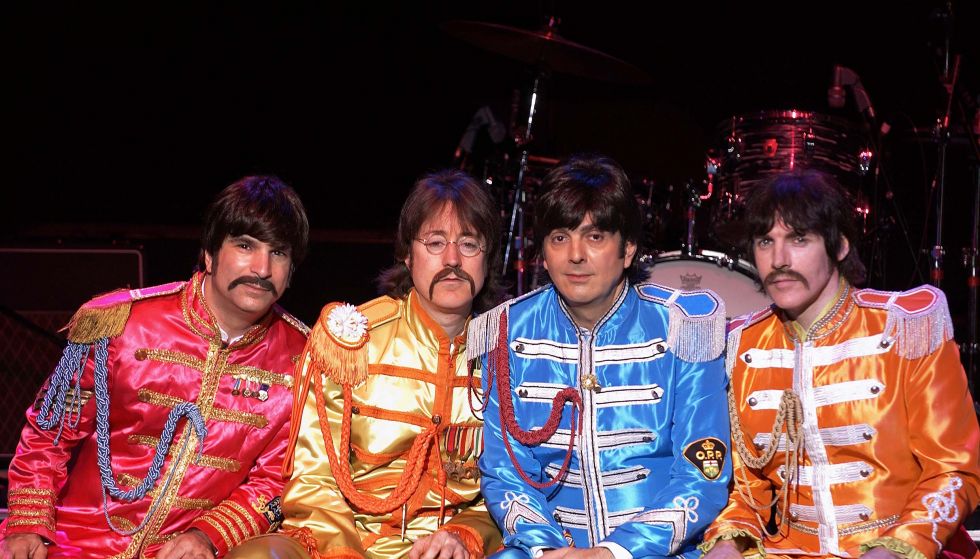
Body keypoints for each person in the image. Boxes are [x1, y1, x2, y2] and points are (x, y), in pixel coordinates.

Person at [0, 176, 311, 558]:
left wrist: (208, 536)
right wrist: (27, 524)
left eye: (278, 253)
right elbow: (49, 434)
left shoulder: (303, 360)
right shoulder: (120, 323)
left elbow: (276, 481)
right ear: (209, 254)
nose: (262, 268)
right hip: (72, 544)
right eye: (245, 245)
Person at [700, 170, 980, 559]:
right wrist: (728, 541)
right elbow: (746, 492)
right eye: (766, 241)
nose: (778, 260)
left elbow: (953, 470)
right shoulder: (742, 344)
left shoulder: (906, 326)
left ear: (840, 246)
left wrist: (897, 549)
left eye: (799, 239)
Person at [226, 169, 504, 559]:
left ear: (488, 258)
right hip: (340, 541)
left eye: (470, 244)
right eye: (435, 242)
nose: (453, 259)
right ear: (407, 253)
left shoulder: (509, 356)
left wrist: (465, 534)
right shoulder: (351, 341)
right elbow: (313, 481)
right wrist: (343, 552)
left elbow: (513, 489)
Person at [471, 154, 732, 559]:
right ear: (543, 254)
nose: (575, 255)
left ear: (628, 249)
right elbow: (504, 471)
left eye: (594, 237)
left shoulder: (684, 327)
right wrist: (546, 550)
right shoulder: (505, 330)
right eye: (560, 238)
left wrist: (614, 552)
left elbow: (702, 476)